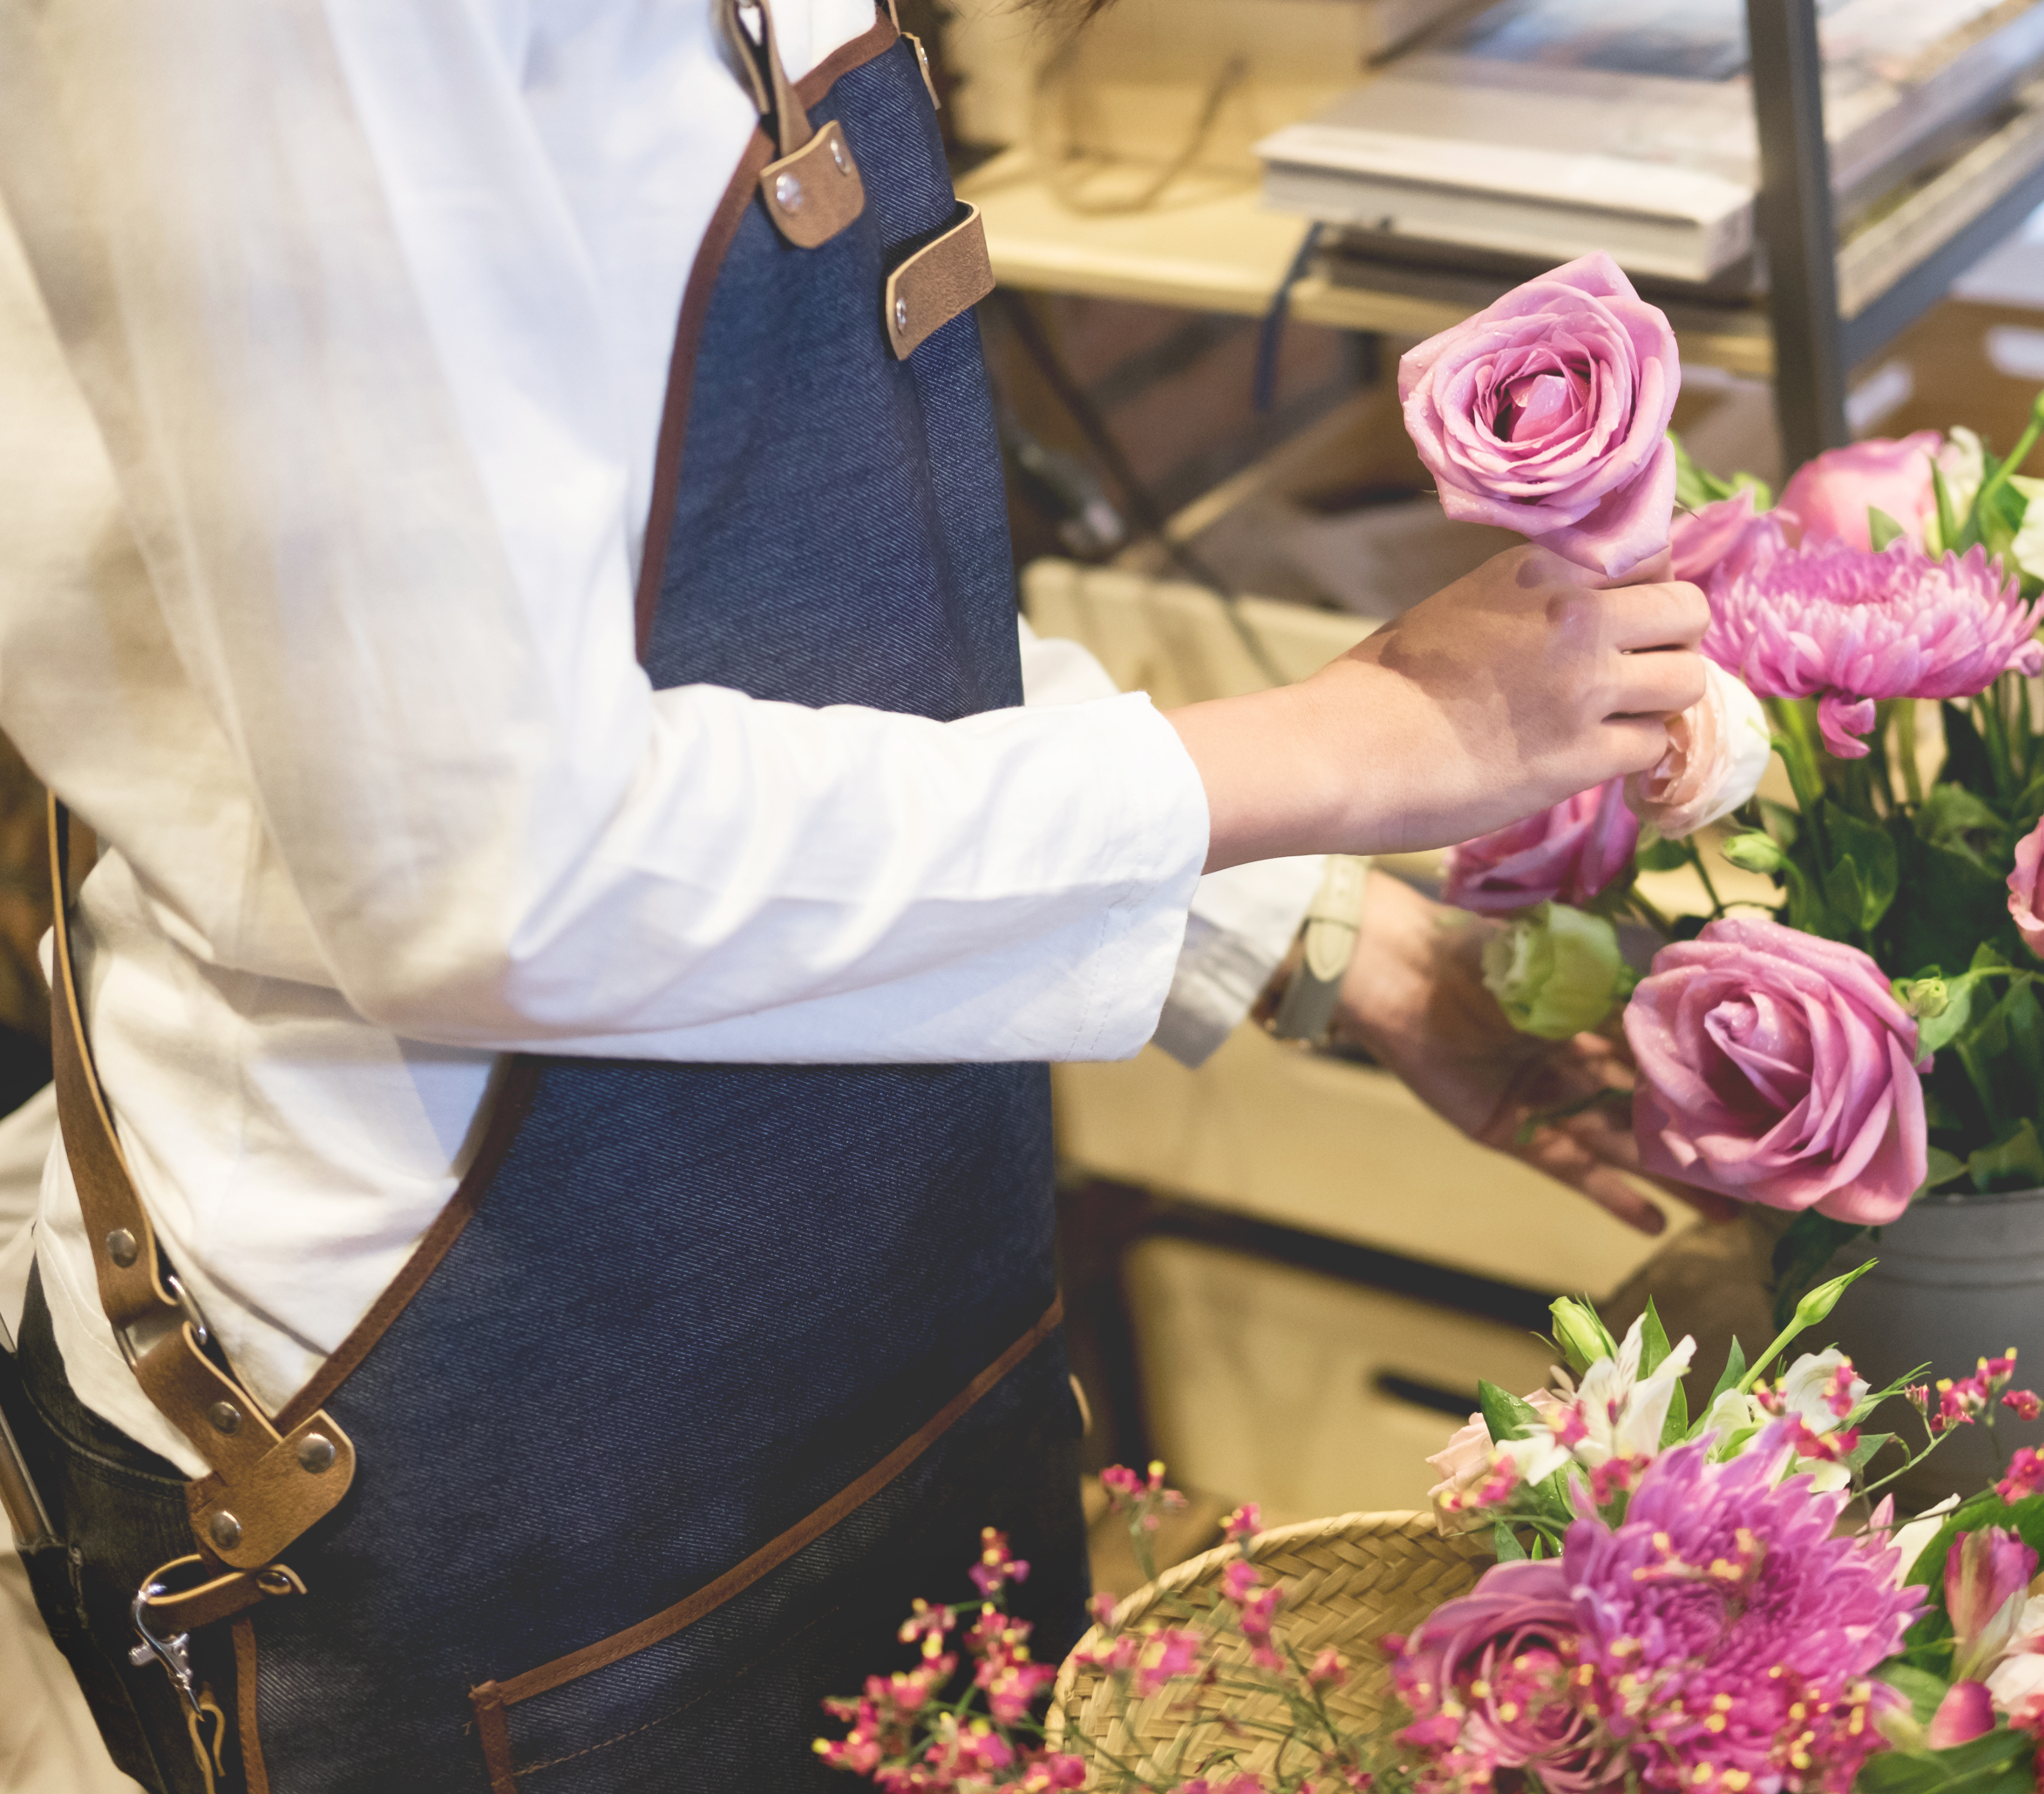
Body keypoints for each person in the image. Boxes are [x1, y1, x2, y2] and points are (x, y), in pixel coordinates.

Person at [0, 5, 1709, 1789]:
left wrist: (1313, 930)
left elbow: (762, 639)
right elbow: (496, 865)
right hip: (457, 1399)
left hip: (880, 1265)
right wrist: (1350, 750)